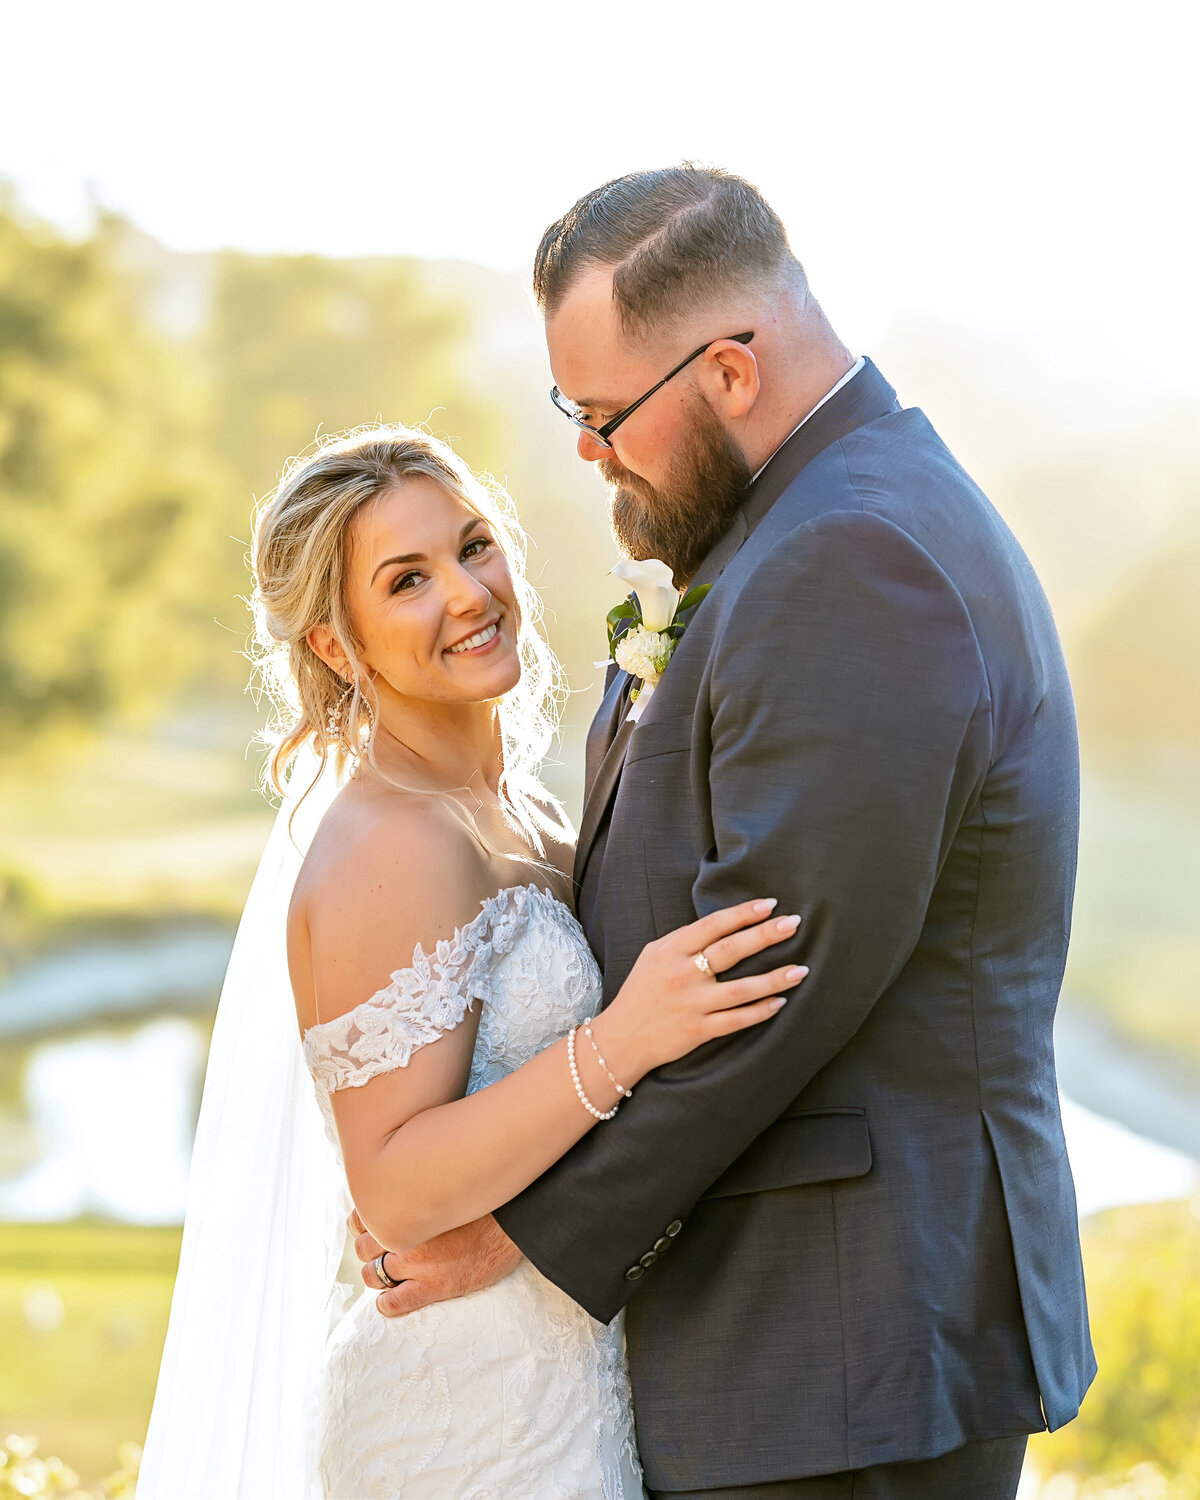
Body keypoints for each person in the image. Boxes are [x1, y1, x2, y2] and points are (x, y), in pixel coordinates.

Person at [352, 166, 1097, 1499]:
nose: (589, 453)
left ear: (732, 374)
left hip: (841, 1347)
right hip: (811, 1353)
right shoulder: (807, 529)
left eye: (606, 415)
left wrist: (514, 1235)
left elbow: (762, 986)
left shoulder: (849, 556)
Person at [141, 423, 803, 1499]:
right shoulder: (388, 845)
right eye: (407, 580)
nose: (467, 592)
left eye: (474, 544)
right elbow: (395, 1191)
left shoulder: (529, 810)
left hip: (565, 1383)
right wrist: (622, 1042)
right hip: (462, 1418)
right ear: (334, 646)